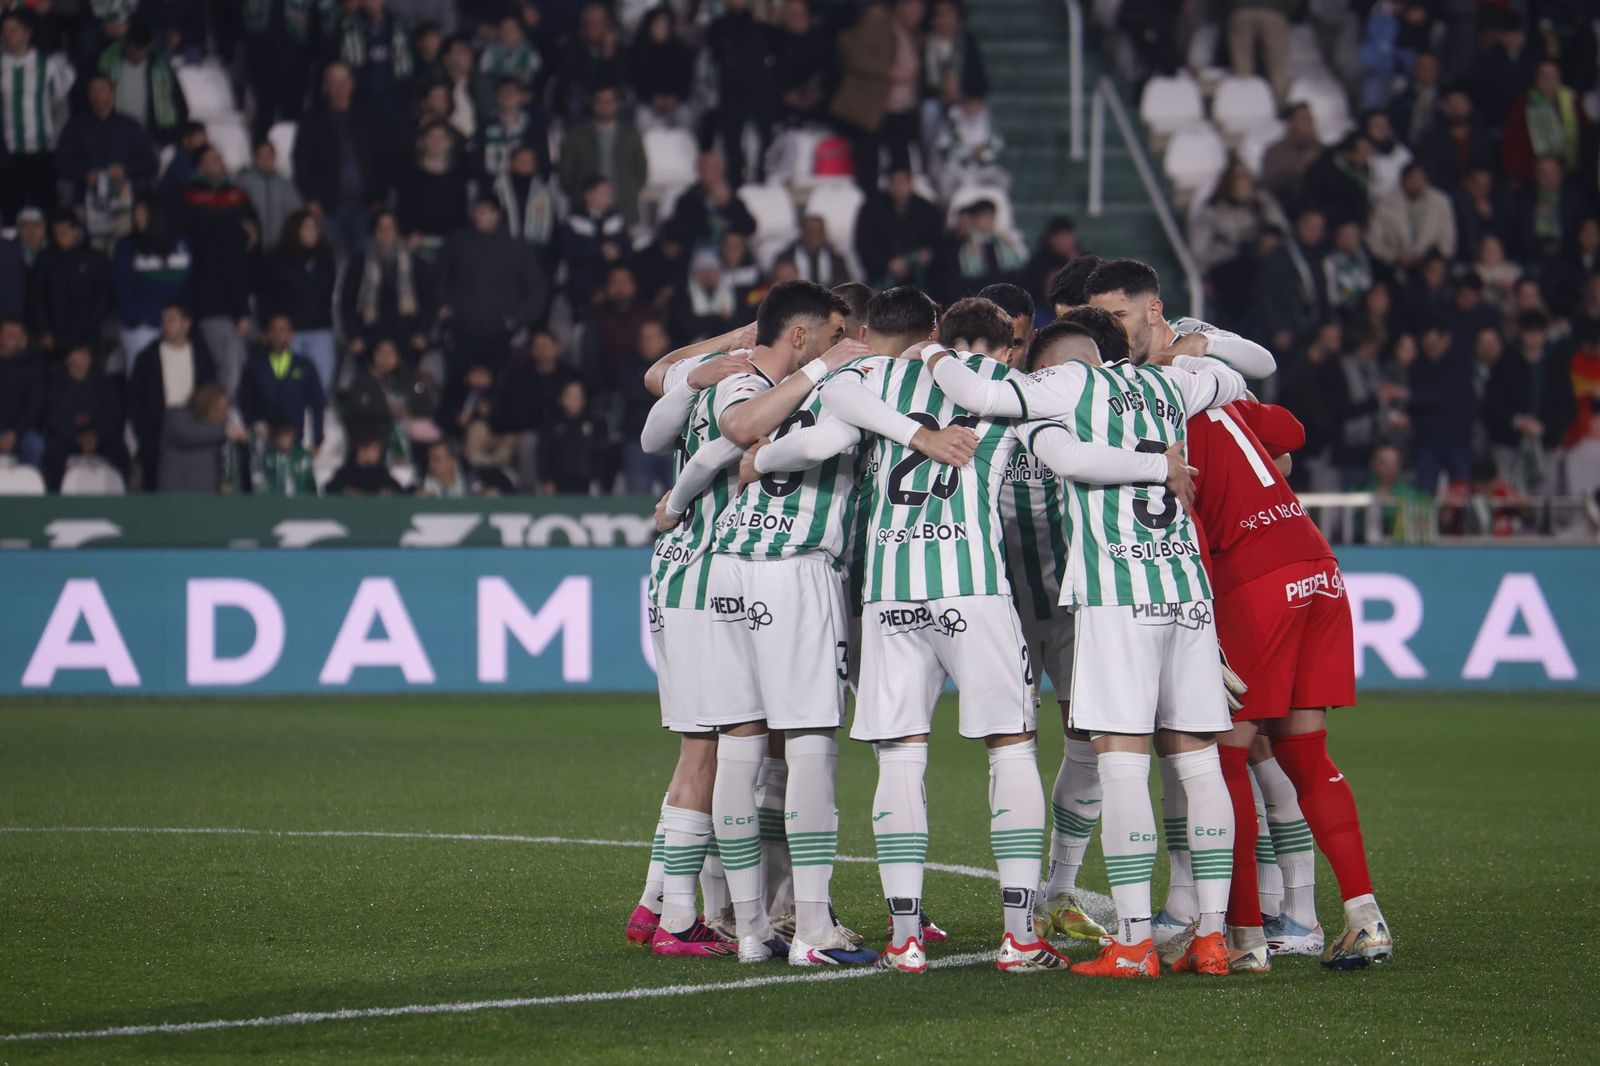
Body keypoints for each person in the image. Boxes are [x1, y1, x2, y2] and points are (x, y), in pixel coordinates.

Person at [925, 269, 1251, 978]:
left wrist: (929, 353)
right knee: (1198, 761)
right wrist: (1188, 351)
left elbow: (983, 395)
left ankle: (1133, 943)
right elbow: (1237, 377)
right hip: (1187, 595)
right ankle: (1214, 937)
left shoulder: (1067, 388)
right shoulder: (1170, 387)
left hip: (1116, 599)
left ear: (1060, 362)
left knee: (1124, 759)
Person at [627, 281, 858, 959]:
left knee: (713, 740)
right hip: (708, 564)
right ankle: (679, 915)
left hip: (682, 567)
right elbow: (715, 451)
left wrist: (705, 364)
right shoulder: (751, 389)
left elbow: (652, 431)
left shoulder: (714, 380)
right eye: (829, 332)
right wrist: (681, 499)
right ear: (802, 333)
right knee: (716, 742)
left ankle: (660, 903)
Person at [1183, 379, 1395, 970]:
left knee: (1224, 760)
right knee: (1306, 753)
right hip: (1316, 564)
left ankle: (1246, 940)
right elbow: (1290, 437)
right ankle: (1364, 917)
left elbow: (1192, 526)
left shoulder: (1151, 403)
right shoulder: (1214, 396)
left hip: (1253, 579)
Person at [436, 196, 549, 375]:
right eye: (476, 211)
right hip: (462, 328)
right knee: (457, 385)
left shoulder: (515, 247)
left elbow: (536, 288)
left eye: (483, 211)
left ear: (496, 214)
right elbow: (440, 277)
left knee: (497, 389)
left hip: (500, 333)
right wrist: (442, 306)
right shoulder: (457, 242)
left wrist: (516, 320)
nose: (478, 216)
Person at [294, 62, 387, 255]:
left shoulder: (368, 117)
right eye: (333, 82)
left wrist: (379, 195)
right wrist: (311, 199)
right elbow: (302, 162)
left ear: (352, 83)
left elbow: (381, 158)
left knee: (363, 262)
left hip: (365, 206)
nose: (339, 87)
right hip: (328, 207)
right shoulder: (312, 120)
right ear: (326, 86)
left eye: (343, 82)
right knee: (332, 261)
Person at [1483, 310, 1576, 497]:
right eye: (1528, 331)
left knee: (1544, 495)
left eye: (1537, 331)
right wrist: (1517, 421)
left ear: (1545, 333)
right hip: (1509, 442)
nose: (1533, 337)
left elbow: (1567, 407)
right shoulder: (1505, 362)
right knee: (1507, 493)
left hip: (1546, 442)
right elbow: (1491, 404)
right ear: (1521, 332)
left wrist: (1545, 427)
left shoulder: (1556, 366)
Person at [0, 11, 75, 220]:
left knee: (45, 210)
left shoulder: (48, 66)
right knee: (10, 212)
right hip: (9, 153)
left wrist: (57, 141)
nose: (7, 36)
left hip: (43, 151)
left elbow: (60, 108)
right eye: (4, 31)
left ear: (27, 34)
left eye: (13, 30)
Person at [341, 211, 434, 365]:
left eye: (390, 228)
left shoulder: (415, 263)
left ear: (397, 231)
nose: (385, 233)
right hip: (368, 338)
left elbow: (429, 301)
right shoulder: (359, 263)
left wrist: (422, 333)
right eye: (381, 228)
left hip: (407, 338)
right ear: (374, 231)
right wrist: (353, 336)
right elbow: (347, 302)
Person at [260, 211, 338, 393]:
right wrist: (267, 326)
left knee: (321, 381)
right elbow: (266, 296)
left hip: (319, 329)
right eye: (307, 229)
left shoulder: (325, 258)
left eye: (314, 229)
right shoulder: (276, 259)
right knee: (286, 384)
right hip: (288, 332)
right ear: (295, 231)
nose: (312, 233)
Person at [55, 72, 159, 202]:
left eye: (102, 89)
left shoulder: (130, 126)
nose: (97, 95)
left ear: (111, 92)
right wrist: (85, 174)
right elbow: (61, 163)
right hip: (86, 196)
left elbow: (150, 162)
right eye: (93, 90)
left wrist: (124, 170)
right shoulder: (75, 127)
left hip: (125, 195)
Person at [27, 211, 113, 358]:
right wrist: (43, 330)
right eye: (56, 232)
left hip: (87, 335)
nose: (60, 236)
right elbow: (37, 297)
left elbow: (103, 298)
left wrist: (88, 331)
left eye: (64, 231)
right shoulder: (45, 260)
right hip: (54, 336)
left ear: (76, 231)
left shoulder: (94, 259)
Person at [237, 313, 327, 452]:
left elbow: (317, 403)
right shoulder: (254, 366)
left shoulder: (305, 365)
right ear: (267, 334)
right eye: (274, 329)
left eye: (283, 329)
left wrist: (317, 438)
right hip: (263, 443)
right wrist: (253, 428)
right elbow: (245, 401)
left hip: (297, 443)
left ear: (291, 334)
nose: (279, 334)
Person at [43, 343, 128, 490]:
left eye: (86, 352)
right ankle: (54, 499)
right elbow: (53, 417)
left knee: (119, 450)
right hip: (68, 437)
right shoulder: (56, 384)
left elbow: (113, 415)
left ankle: (121, 499)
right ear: (68, 359)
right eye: (79, 352)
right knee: (53, 452)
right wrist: (76, 437)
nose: (84, 356)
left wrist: (95, 435)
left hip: (98, 436)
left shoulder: (104, 382)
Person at [96, 17, 188, 145]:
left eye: (142, 50)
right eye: (134, 50)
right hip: (115, 132)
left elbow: (179, 101)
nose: (138, 55)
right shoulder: (107, 64)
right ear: (125, 43)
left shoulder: (162, 68)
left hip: (154, 134)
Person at [855, 167, 942, 289]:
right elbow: (864, 245)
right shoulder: (872, 210)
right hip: (883, 278)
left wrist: (928, 253)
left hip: (920, 278)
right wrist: (887, 264)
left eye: (902, 182)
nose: (898, 187)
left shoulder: (927, 209)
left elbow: (938, 239)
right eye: (894, 182)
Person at [559, 176, 630, 316]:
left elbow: (628, 250)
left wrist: (617, 252)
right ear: (588, 195)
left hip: (611, 290)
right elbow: (568, 250)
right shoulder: (573, 221)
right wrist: (599, 250)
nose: (608, 197)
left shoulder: (616, 220)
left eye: (609, 193)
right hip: (582, 288)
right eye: (602, 193)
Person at [1366, 162, 1456, 270]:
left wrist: (1430, 258)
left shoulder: (1440, 203)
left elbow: (1446, 240)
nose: (1417, 182)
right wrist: (1396, 258)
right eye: (1413, 178)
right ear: (1404, 180)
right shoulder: (1383, 205)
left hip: (1429, 264)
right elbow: (1374, 241)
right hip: (1393, 265)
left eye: (1421, 178)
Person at [158, 382, 244, 493]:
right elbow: (187, 433)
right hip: (178, 497)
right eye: (219, 409)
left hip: (207, 500)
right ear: (206, 402)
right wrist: (224, 431)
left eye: (225, 409)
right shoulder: (177, 417)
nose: (223, 415)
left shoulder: (218, 434)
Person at [668, 150, 757, 251]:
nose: (715, 174)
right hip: (698, 256)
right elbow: (677, 232)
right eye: (709, 169)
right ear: (699, 172)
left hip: (729, 256)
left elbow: (750, 228)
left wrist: (729, 204)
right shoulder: (687, 200)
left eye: (718, 169)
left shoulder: (731, 198)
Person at [536, 379, 606, 494]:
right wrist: (547, 480)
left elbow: (601, 455)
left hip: (587, 486)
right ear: (561, 399)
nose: (575, 400)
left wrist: (597, 479)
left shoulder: (594, 424)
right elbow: (543, 455)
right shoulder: (551, 425)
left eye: (578, 396)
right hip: (558, 486)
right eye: (570, 396)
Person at [235, 140, 302, 252]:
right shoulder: (243, 183)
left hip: (280, 249)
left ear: (274, 156)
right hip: (250, 248)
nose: (265, 160)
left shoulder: (285, 185)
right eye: (260, 155)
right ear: (255, 157)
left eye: (268, 155)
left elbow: (297, 214)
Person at [0, 317, 47, 471]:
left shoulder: (34, 367)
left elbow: (35, 408)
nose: (3, 341)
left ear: (23, 341)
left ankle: (29, 492)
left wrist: (15, 434)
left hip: (20, 432)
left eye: (11, 337)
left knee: (35, 445)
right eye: (2, 334)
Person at [1260, 103, 1321, 207]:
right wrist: (1300, 166)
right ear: (1290, 123)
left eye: (1311, 119)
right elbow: (1269, 184)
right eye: (1304, 119)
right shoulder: (1275, 152)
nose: (1310, 123)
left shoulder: (1322, 150)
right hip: (1287, 207)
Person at [783, 215, 853, 289]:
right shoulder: (787, 258)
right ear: (803, 232)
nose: (814, 238)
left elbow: (844, 285)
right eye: (810, 232)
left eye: (818, 233)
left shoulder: (836, 260)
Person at [326, 433, 405, 495]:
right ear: (361, 450)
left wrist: (389, 492)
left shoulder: (381, 473)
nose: (378, 453)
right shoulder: (346, 472)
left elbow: (400, 491)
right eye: (374, 449)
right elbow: (330, 489)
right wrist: (346, 492)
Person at [255, 420, 317, 496]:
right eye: (283, 438)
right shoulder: (268, 458)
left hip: (299, 501)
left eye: (289, 437)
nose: (287, 441)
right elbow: (261, 482)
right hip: (275, 502)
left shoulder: (303, 456)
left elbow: (310, 483)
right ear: (276, 439)